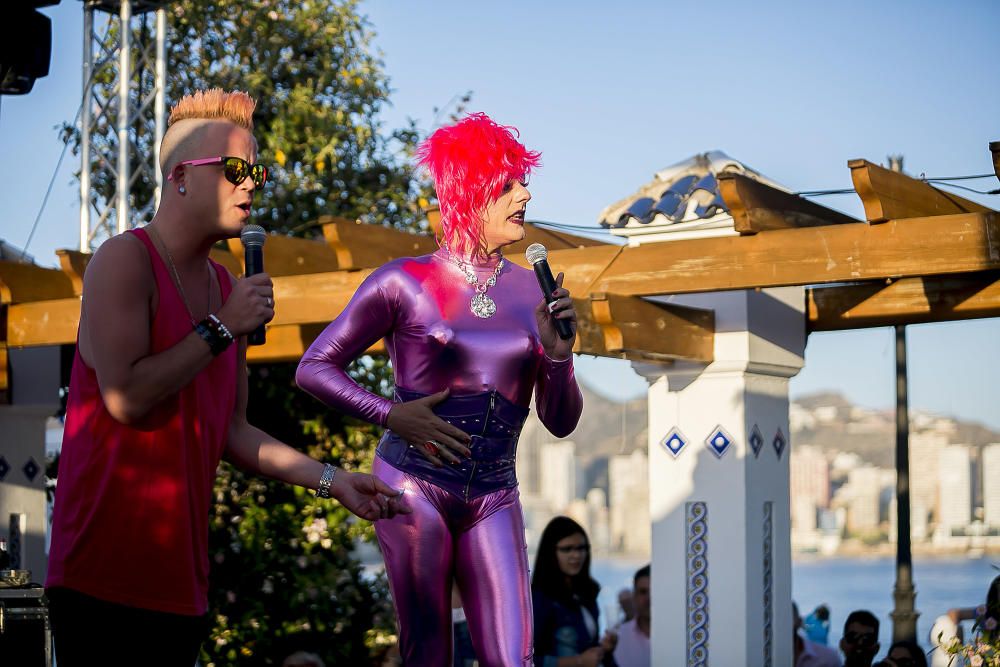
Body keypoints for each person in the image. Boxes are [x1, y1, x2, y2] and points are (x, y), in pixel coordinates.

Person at [45, 89, 407, 665]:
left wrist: (332, 480)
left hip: (179, 587)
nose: (251, 184)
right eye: (235, 169)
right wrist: (221, 326)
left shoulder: (223, 284)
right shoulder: (124, 260)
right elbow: (126, 398)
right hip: (100, 580)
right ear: (181, 177)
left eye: (256, 171)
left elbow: (233, 431)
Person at [296, 112, 583, 666]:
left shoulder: (533, 291)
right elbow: (315, 367)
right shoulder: (403, 280)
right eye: (507, 183)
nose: (524, 193)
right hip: (412, 484)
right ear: (470, 191)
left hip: (495, 491)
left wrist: (558, 354)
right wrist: (390, 415)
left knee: (513, 658)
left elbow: (562, 421)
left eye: (523, 181)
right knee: (427, 653)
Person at [531, 516, 618, 667]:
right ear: (551, 552)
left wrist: (605, 649)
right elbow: (526, 661)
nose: (576, 555)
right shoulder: (539, 600)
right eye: (567, 549)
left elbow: (588, 651)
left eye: (581, 548)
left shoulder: (587, 594)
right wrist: (578, 662)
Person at [612, 564, 650, 667]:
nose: (649, 598)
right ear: (635, 596)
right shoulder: (618, 637)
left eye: (654, 591)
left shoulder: (682, 636)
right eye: (643, 592)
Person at [794, 602, 841, 667]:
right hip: (820, 653)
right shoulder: (824, 624)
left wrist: (813, 612)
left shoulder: (814, 624)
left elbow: (803, 624)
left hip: (813, 654)